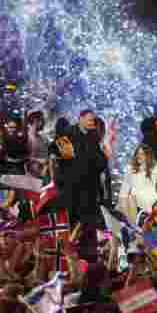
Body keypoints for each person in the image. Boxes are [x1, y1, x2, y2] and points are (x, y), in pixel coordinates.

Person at [61, 110, 107, 259]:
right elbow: (63, 156)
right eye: (89, 120)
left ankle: (88, 254)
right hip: (74, 185)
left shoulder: (93, 134)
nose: (92, 123)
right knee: (77, 218)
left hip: (90, 185)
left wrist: (102, 162)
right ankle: (72, 251)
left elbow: (99, 156)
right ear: (80, 119)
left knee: (88, 221)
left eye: (93, 120)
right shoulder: (68, 133)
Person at [118, 144, 157, 226]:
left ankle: (135, 225)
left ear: (147, 156)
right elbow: (124, 191)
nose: (139, 156)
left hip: (150, 203)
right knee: (128, 199)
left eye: (142, 154)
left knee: (131, 199)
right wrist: (123, 207)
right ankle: (132, 226)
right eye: (138, 154)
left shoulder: (154, 168)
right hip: (134, 203)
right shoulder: (131, 169)